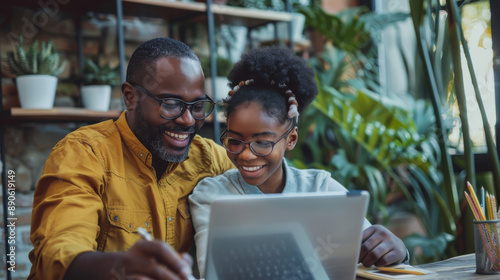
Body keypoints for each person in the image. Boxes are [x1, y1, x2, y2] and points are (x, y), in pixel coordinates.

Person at [188, 46, 409, 277]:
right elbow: (211, 272)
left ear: (291, 139)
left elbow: (372, 249)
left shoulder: (321, 188)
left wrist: (397, 250)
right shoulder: (211, 196)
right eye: (234, 141)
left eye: (262, 142)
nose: (245, 154)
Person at [28, 37, 234, 280]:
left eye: (197, 105)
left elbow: (267, 194)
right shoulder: (84, 152)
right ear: (130, 97)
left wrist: (277, 113)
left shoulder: (209, 158)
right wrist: (121, 267)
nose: (188, 120)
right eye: (170, 104)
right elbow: (58, 251)